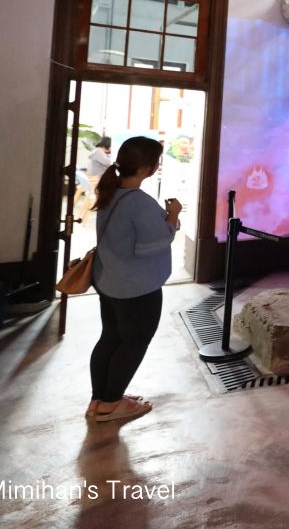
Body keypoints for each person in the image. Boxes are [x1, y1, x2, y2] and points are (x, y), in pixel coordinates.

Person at [86, 136, 182, 422]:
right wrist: (173, 215)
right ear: (146, 168)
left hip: (109, 280)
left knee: (110, 338)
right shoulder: (139, 202)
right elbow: (155, 242)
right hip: (136, 287)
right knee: (135, 342)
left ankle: (99, 400)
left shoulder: (111, 192)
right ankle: (111, 404)